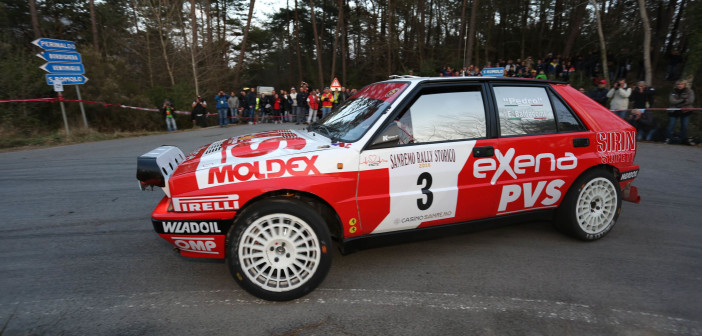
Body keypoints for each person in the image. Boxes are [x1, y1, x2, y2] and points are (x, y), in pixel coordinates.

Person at [666, 80, 695, 144]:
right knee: (671, 125)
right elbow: (672, 101)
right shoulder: (673, 92)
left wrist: (678, 102)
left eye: (681, 84)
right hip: (674, 110)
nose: (679, 86)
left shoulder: (690, 91)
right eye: (678, 84)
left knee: (684, 126)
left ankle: (683, 140)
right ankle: (668, 139)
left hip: (686, 111)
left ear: (684, 85)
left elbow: (690, 101)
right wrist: (683, 100)